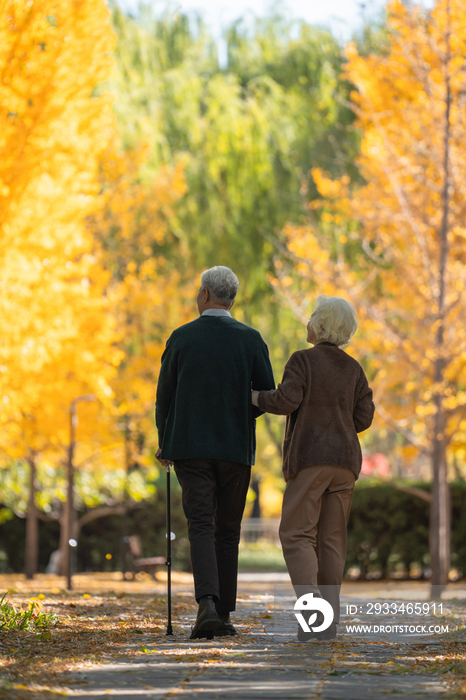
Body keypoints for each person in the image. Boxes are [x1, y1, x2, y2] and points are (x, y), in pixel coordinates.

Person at [155, 266, 275, 639]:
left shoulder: (181, 338)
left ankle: (207, 603)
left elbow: (165, 397)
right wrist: (236, 411)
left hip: (190, 447)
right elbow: (266, 395)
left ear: (205, 294)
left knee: (201, 524)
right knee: (229, 530)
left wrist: (166, 441)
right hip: (236, 448)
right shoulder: (251, 339)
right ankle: (222, 614)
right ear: (230, 299)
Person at [252, 294, 375, 640]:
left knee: (295, 534)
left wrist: (254, 397)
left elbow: (286, 400)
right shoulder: (354, 368)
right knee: (332, 541)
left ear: (320, 325)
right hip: (346, 464)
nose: (307, 322)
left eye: (311, 317)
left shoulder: (302, 360)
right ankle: (327, 623)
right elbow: (364, 415)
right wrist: (340, 423)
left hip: (311, 459)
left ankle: (313, 613)